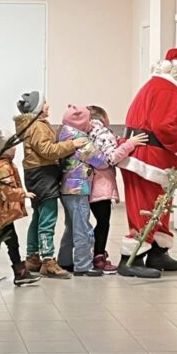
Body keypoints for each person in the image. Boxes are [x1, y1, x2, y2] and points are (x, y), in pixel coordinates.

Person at [117, 47, 177, 278]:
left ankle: (157, 252)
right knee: (146, 208)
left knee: (160, 206)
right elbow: (164, 127)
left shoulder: (161, 86)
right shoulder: (167, 89)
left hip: (153, 157)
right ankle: (131, 259)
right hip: (148, 158)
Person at [14, 90, 77, 278]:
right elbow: (48, 150)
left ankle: (32, 256)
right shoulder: (38, 127)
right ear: (39, 108)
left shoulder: (32, 125)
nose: (48, 105)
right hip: (43, 175)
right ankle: (48, 260)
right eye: (45, 102)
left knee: (39, 215)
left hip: (35, 174)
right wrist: (73, 145)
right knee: (48, 217)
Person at [87, 105, 146, 273]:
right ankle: (98, 257)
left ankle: (92, 253)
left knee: (94, 222)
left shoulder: (89, 131)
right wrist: (130, 144)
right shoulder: (103, 133)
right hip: (101, 185)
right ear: (103, 117)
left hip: (89, 183)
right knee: (103, 223)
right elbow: (111, 158)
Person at [0, 128, 40, 286]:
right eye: (12, 146)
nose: (15, 149)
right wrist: (22, 194)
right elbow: (5, 190)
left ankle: (18, 271)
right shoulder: (2, 168)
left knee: (3, 242)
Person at [56, 104, 110, 277]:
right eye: (88, 120)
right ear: (80, 122)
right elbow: (101, 161)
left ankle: (65, 260)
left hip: (66, 188)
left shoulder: (63, 134)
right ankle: (83, 264)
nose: (91, 123)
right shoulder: (81, 139)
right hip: (78, 189)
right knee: (82, 228)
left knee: (71, 227)